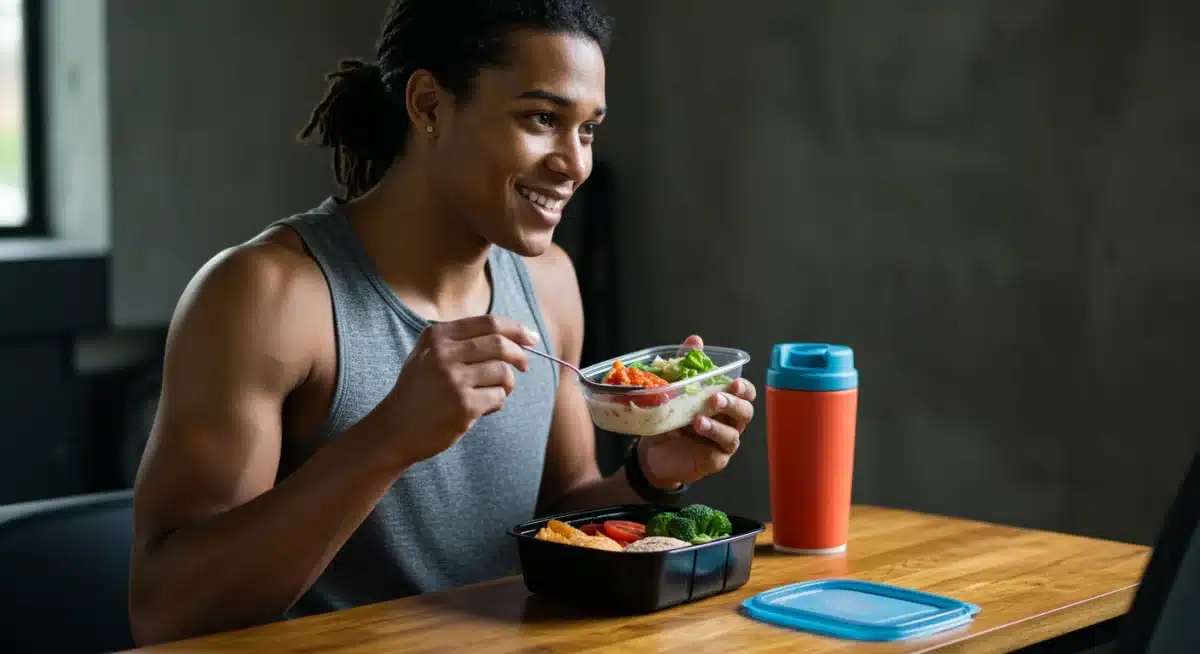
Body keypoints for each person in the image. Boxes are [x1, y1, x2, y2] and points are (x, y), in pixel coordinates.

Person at [127, 0, 757, 646]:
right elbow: (164, 608)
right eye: (541, 118)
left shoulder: (549, 286)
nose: (575, 163)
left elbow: (557, 519)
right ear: (428, 105)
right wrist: (389, 438)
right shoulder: (268, 298)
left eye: (587, 129)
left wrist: (649, 473)